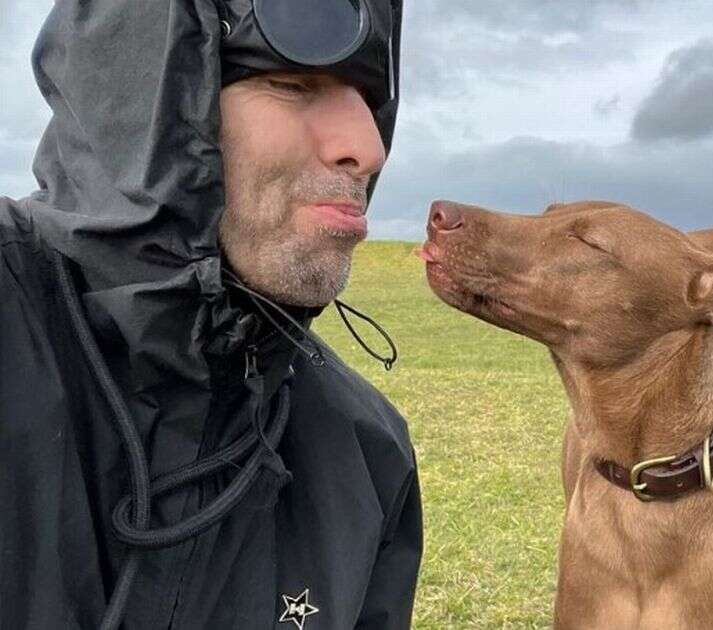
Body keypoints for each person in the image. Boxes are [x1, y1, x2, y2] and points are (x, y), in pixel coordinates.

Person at [0, 1, 421, 628]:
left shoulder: (367, 457)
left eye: (367, 98)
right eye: (291, 85)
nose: (367, 148)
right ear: (146, 96)